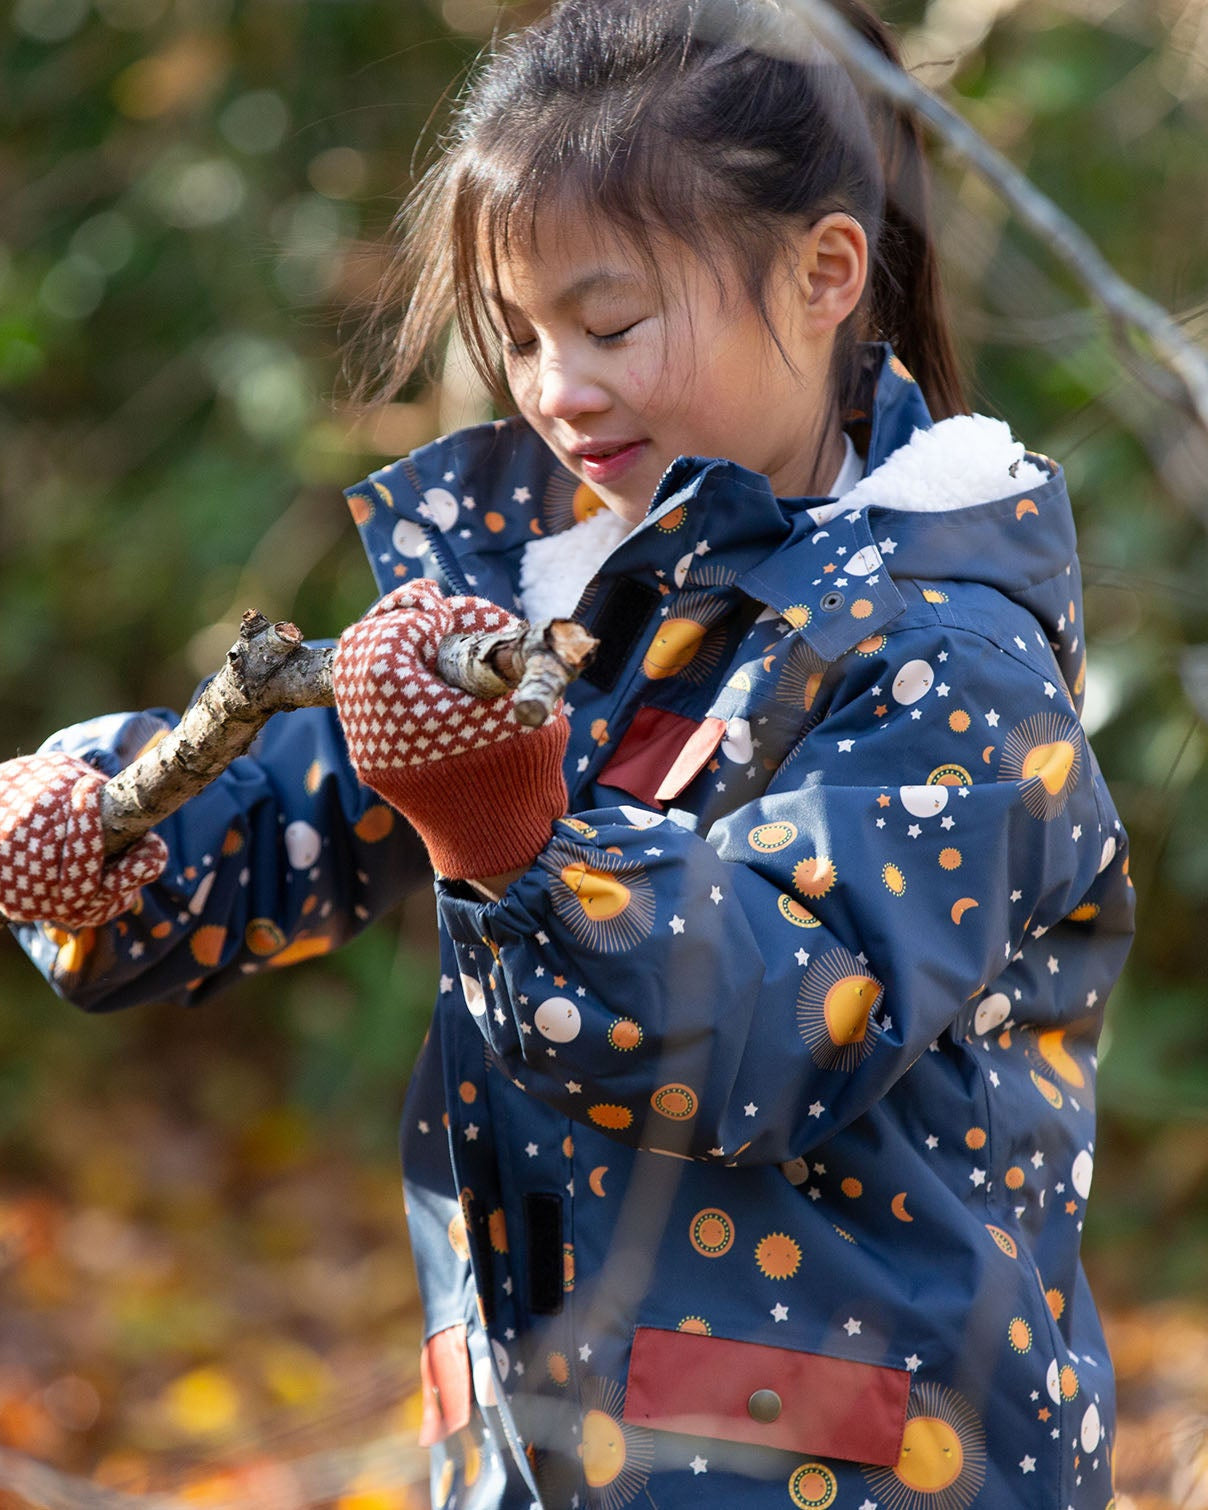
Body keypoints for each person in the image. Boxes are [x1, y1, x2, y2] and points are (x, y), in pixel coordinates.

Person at [1, 1, 1135, 1506]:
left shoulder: (943, 657)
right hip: (552, 1454)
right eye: (523, 334)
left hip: (861, 1461)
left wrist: (514, 841)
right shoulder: (563, 604)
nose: (557, 387)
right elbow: (296, 805)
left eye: (609, 326)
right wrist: (110, 830)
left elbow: (773, 1023)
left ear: (823, 275)